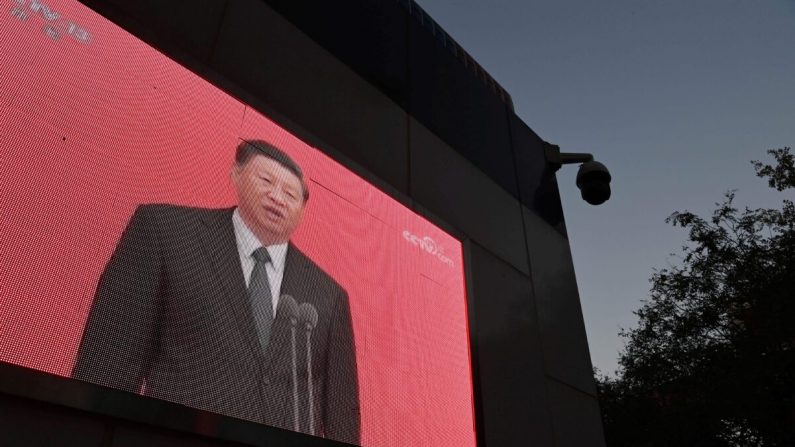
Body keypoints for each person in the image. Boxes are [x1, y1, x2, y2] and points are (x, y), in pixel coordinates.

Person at [72, 140, 360, 444]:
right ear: (235, 175)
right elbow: (107, 362)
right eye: (265, 180)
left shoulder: (329, 295)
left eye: (290, 194)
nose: (277, 197)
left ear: (302, 210)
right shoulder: (166, 231)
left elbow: (342, 413)